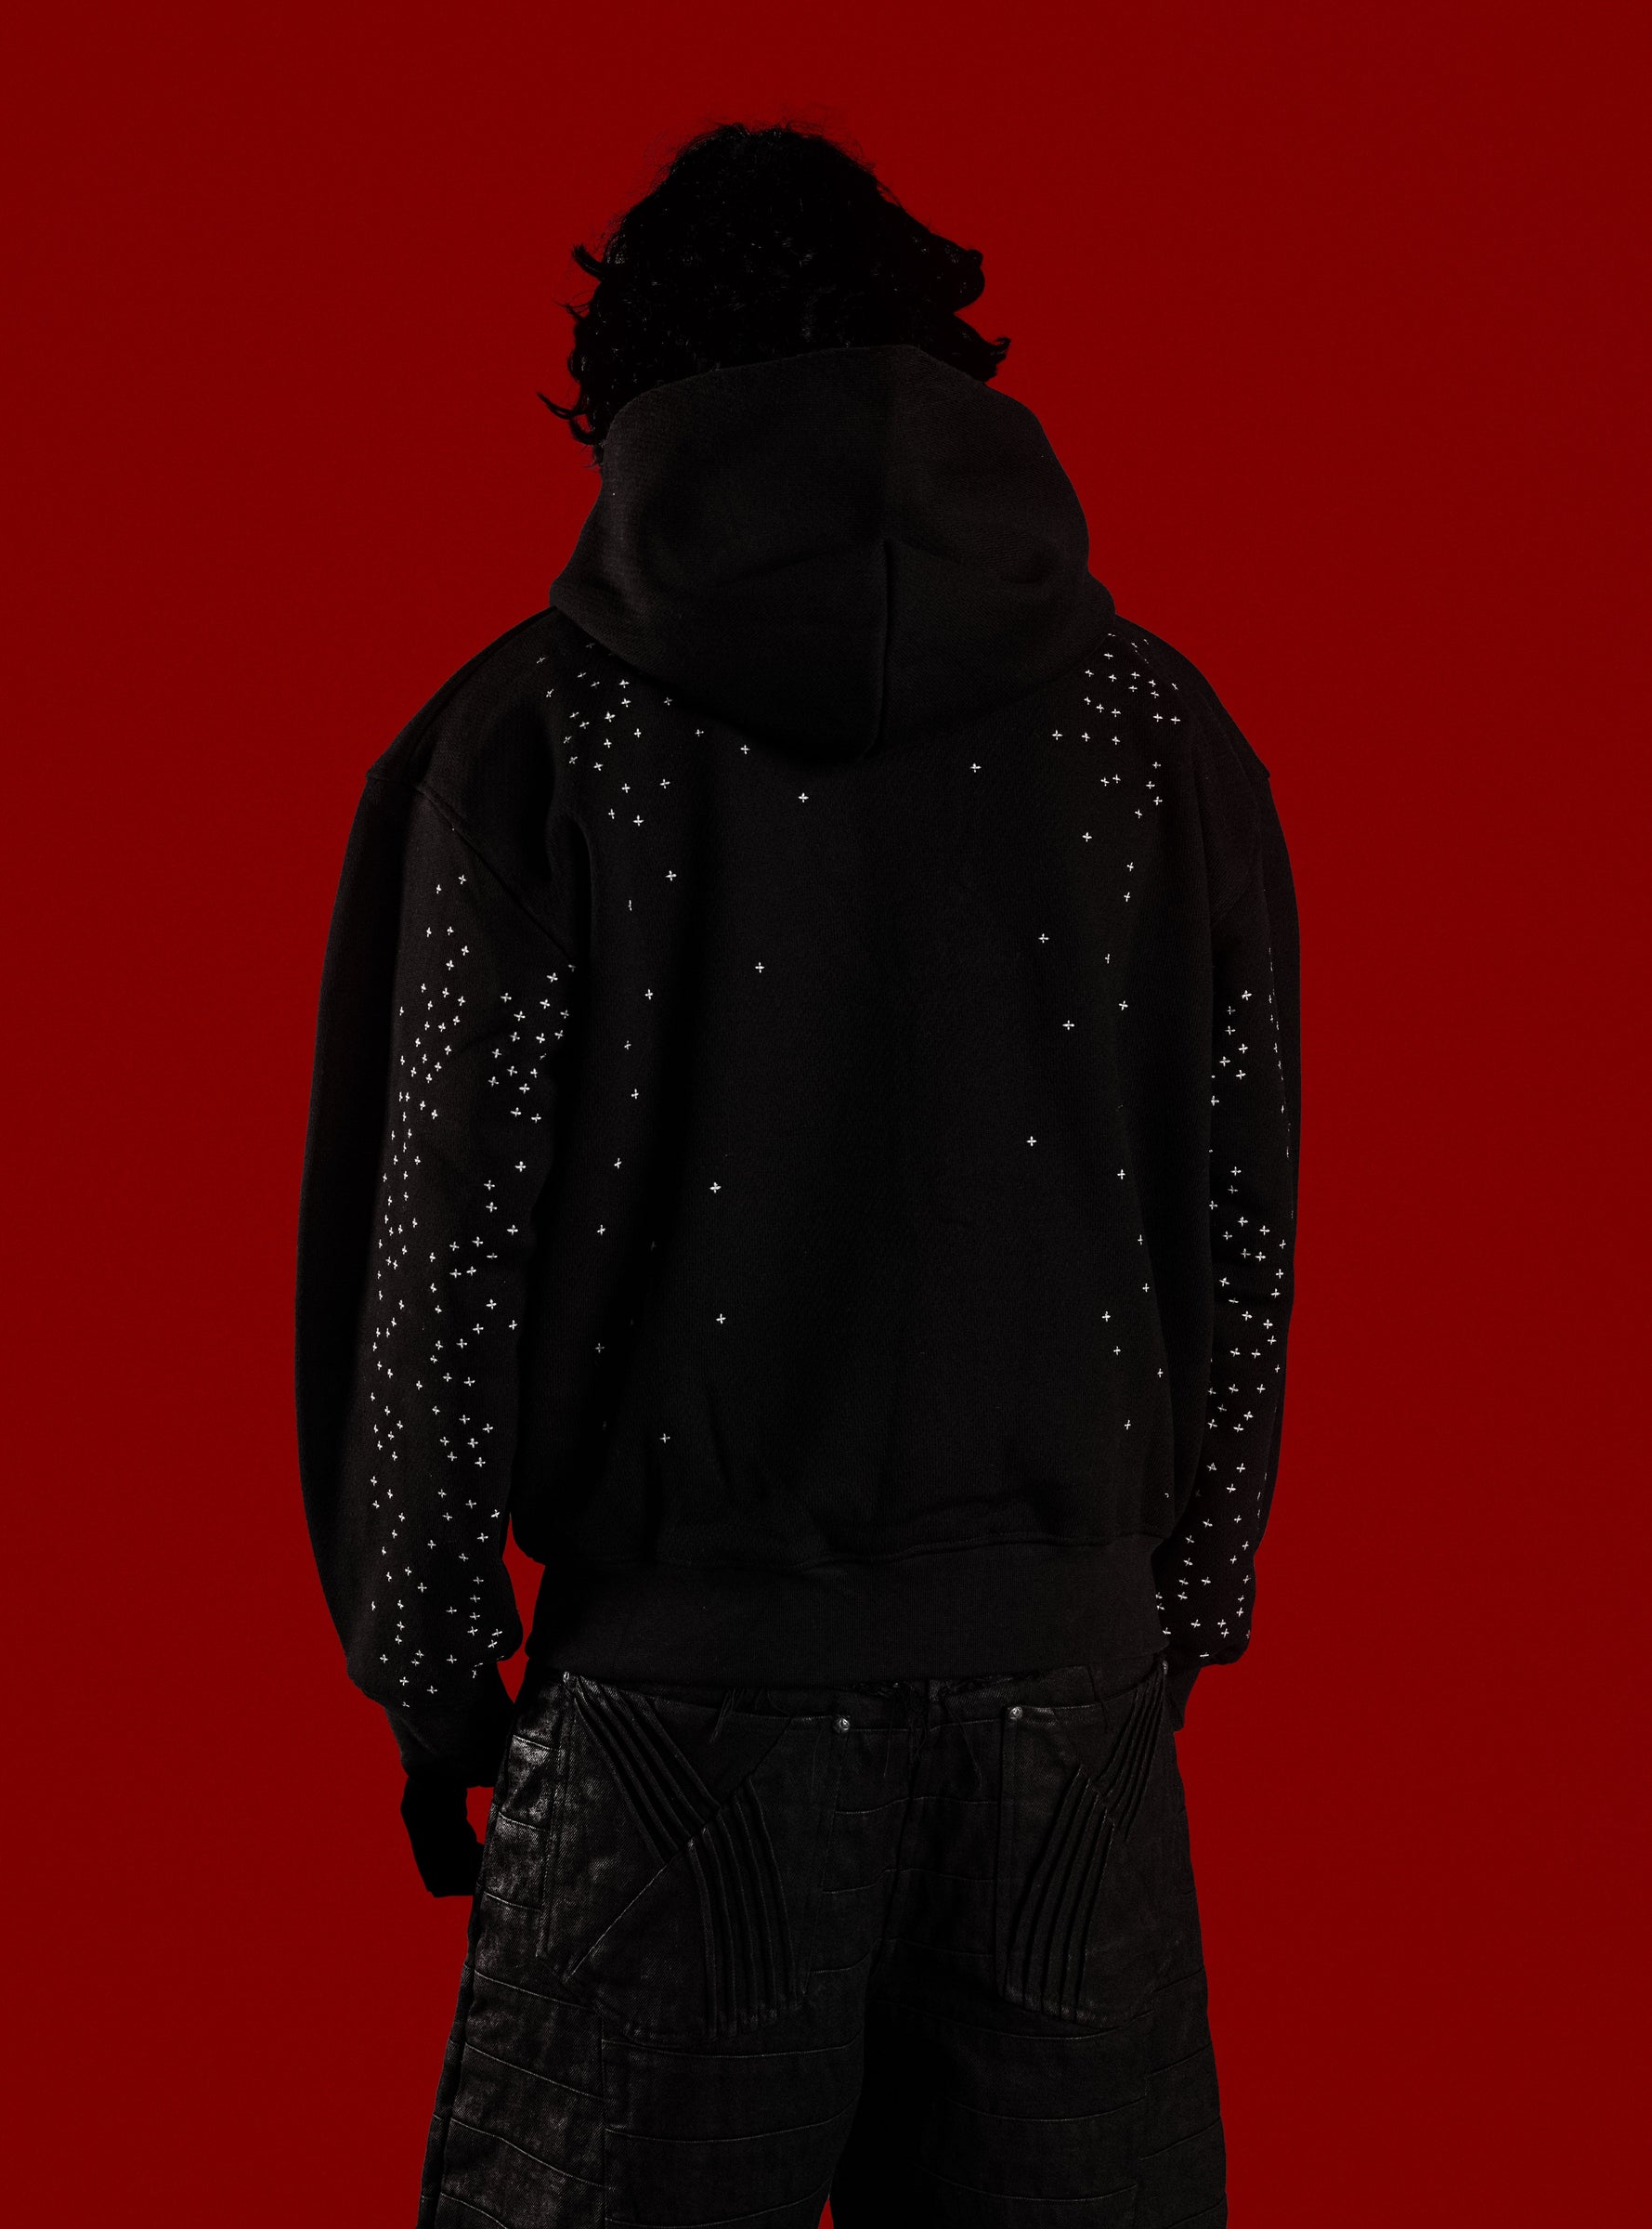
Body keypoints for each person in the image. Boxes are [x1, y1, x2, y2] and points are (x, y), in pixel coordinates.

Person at [295, 119, 1298, 2229]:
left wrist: (429, 1672)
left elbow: (445, 1250)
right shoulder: (1156, 735)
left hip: (678, 1714)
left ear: (628, 388)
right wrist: (1174, 1611)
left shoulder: (533, 740)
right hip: (1069, 1709)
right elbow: (1238, 1201)